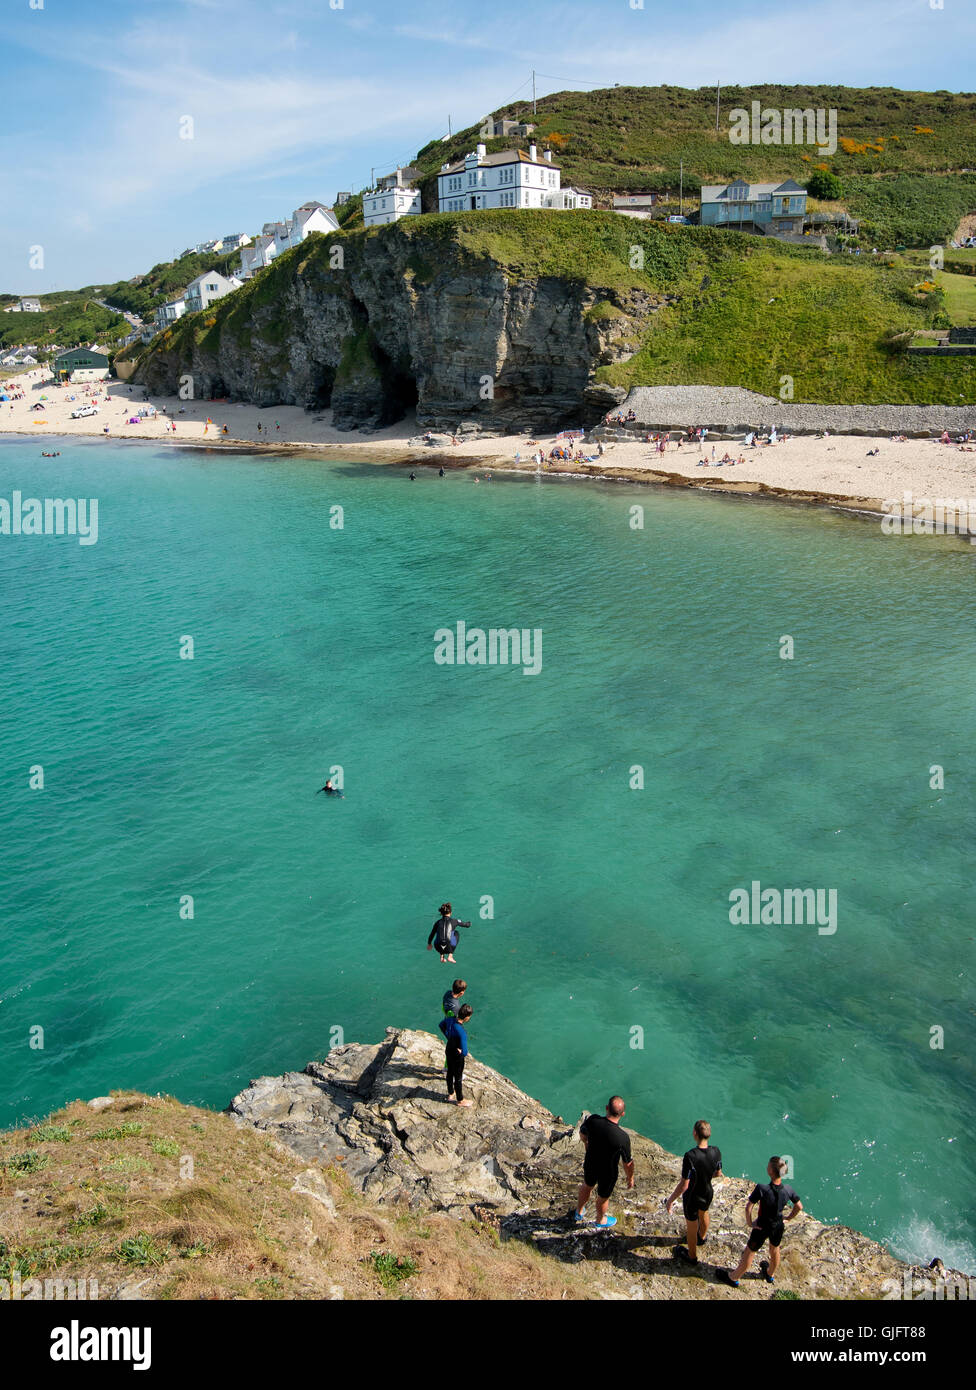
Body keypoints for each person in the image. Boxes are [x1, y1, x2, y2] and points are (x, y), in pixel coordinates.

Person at [719, 1157, 802, 1287]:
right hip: (778, 1226)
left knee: (750, 1251)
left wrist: (750, 1223)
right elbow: (799, 1207)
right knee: (775, 1249)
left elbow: (748, 1207)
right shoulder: (788, 1189)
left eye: (768, 1165)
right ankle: (770, 1274)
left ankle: (733, 1277)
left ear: (771, 1171)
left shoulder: (762, 1189)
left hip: (761, 1226)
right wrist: (788, 1218)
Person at [666, 1120, 722, 1264]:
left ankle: (692, 1257)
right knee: (704, 1213)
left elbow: (685, 1184)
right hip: (707, 1192)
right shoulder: (716, 1151)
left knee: (691, 1226)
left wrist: (671, 1200)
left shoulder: (690, 1156)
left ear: (695, 1134)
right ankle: (702, 1238)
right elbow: (718, 1173)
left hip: (692, 1196)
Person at [575, 1096, 635, 1229]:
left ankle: (579, 1212)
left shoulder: (593, 1120)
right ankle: (600, 1220)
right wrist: (630, 1178)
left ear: (607, 1108)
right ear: (622, 1114)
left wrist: (586, 1144)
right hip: (608, 1173)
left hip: (591, 1162)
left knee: (587, 1185)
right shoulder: (622, 1138)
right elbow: (628, 1163)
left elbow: (583, 1133)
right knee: (603, 1197)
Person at [439, 1002, 473, 1106]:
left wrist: (448, 1036)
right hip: (457, 1056)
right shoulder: (461, 1031)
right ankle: (460, 1100)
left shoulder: (450, 1020)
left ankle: (450, 1093)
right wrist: (461, 1053)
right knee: (458, 1078)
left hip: (449, 1049)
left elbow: (441, 1025)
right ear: (467, 1017)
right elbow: (465, 1052)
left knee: (449, 1073)